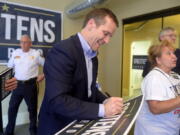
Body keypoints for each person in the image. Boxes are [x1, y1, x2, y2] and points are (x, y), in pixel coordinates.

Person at [38, 8, 124, 135]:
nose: (107, 41)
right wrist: (103, 110)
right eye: (106, 33)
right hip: (58, 126)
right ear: (91, 24)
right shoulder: (62, 51)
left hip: (79, 124)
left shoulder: (93, 56)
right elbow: (58, 100)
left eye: (110, 36)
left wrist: (105, 100)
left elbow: (90, 88)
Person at [134, 41, 180, 135]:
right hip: (154, 131)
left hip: (172, 129)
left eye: (173, 53)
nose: (174, 57)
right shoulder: (154, 78)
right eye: (168, 53)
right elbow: (155, 108)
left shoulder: (175, 76)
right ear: (158, 60)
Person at [5, 35, 45, 135]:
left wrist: (43, 75)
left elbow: (48, 65)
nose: (23, 44)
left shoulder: (36, 54)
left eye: (26, 42)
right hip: (17, 85)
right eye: (21, 42)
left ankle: (33, 131)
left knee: (32, 110)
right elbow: (9, 69)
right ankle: (9, 131)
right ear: (20, 43)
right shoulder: (15, 53)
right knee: (12, 108)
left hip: (30, 86)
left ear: (30, 43)